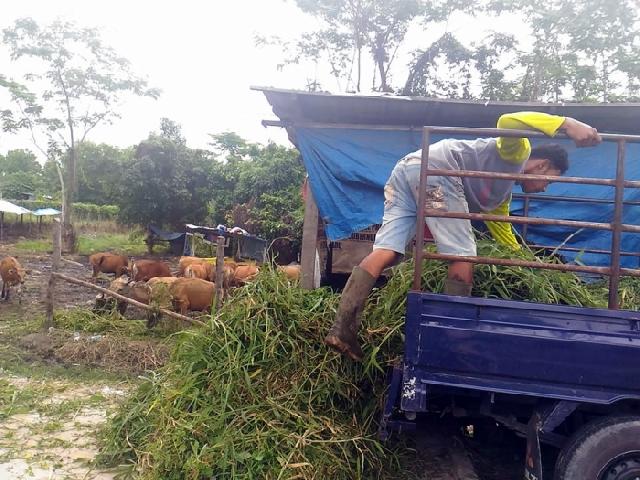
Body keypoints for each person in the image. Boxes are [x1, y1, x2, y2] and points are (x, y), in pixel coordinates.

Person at [325, 111, 601, 362]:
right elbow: (508, 121)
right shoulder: (518, 152)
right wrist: (569, 124)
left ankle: (342, 329)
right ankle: (453, 343)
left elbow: (504, 231)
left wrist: (526, 264)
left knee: (390, 250)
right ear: (541, 166)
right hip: (436, 172)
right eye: (549, 180)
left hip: (408, 169)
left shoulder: (501, 194)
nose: (544, 189)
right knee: (463, 255)